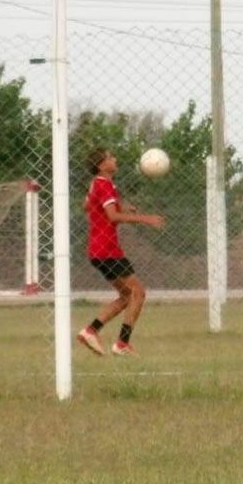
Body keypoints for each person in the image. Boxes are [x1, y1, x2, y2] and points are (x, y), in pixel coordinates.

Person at [77, 148, 165, 356]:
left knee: (126, 295)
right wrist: (146, 218)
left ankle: (90, 331)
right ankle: (122, 343)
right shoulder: (105, 185)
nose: (114, 158)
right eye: (110, 157)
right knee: (138, 293)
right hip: (108, 250)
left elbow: (86, 206)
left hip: (97, 250)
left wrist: (120, 206)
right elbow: (112, 217)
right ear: (101, 165)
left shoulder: (97, 184)